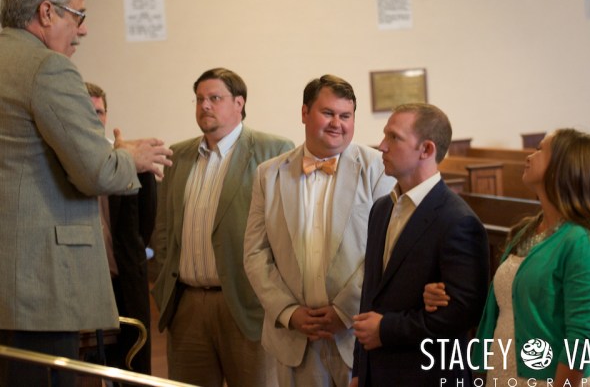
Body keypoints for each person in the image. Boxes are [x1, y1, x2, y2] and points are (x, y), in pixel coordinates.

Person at [0, 0, 172, 386]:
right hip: (40, 288)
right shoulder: (47, 68)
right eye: (78, 15)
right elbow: (96, 173)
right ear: (46, 12)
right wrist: (129, 158)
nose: (83, 29)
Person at [423, 129, 590, 386]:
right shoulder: (528, 229)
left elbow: (580, 339)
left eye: (540, 150)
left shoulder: (583, 241)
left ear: (564, 167)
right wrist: (445, 294)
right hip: (505, 373)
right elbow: (508, 301)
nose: (529, 155)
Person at [243, 74, 395, 387]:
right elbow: (255, 252)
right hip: (294, 337)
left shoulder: (378, 169)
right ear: (304, 113)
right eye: (328, 113)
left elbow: (388, 247)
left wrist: (345, 310)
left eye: (346, 116)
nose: (337, 123)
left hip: (355, 334)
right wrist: (288, 311)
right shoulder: (268, 174)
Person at [150, 67, 294, 387]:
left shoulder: (272, 150)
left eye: (215, 98)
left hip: (248, 304)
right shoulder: (179, 155)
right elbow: (163, 230)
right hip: (186, 305)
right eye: (199, 99)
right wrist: (163, 287)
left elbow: (287, 232)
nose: (205, 105)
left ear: (239, 103)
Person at [351, 103, 489, 387]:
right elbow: (370, 297)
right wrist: (359, 371)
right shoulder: (382, 208)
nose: (381, 146)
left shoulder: (458, 220)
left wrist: (387, 330)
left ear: (426, 150)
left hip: (426, 375)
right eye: (385, 135)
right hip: (375, 373)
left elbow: (463, 314)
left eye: (394, 137)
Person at [87, 82, 156, 375]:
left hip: (122, 281)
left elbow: (146, 223)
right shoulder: (61, 160)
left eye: (99, 112)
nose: (94, 118)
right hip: (81, 285)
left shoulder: (129, 157)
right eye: (86, 111)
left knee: (130, 367)